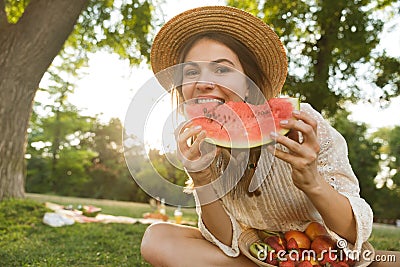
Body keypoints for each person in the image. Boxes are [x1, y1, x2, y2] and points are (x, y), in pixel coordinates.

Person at [141, 6, 398, 267]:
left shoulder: (301, 123)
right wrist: (201, 179)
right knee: (157, 237)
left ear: (249, 82)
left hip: (324, 253)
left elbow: (354, 232)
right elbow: (226, 240)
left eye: (222, 70)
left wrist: (312, 181)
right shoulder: (202, 144)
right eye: (192, 72)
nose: (203, 82)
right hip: (259, 256)